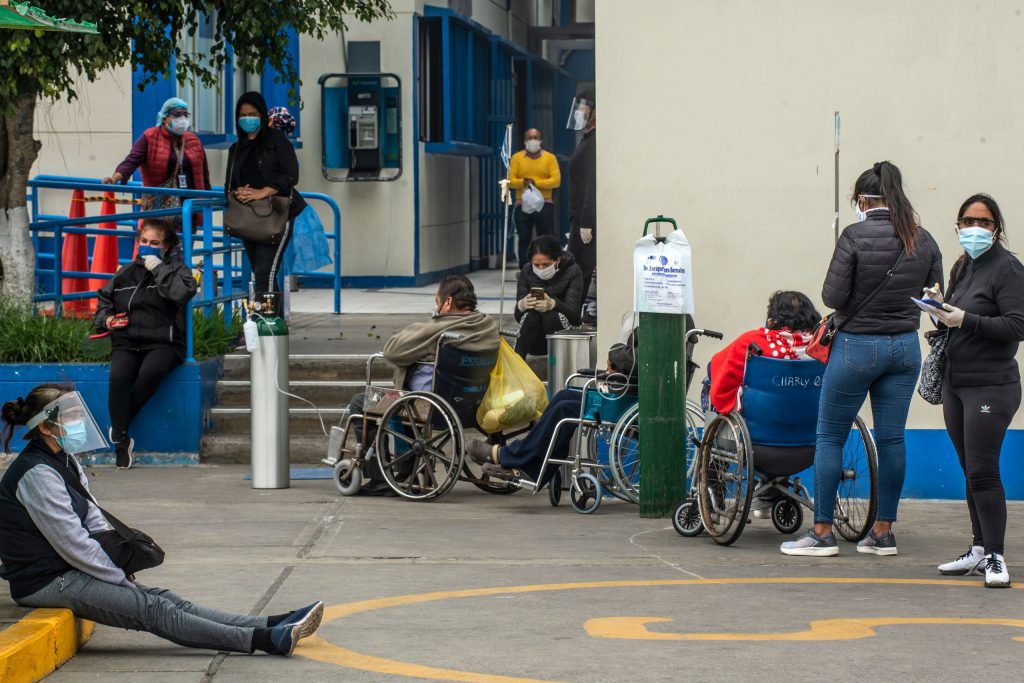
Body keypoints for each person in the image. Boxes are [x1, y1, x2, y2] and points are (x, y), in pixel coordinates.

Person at [0, 384, 323, 656]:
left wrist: (117, 564)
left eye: (78, 414)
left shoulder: (64, 460)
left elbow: (93, 518)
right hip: (46, 582)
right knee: (152, 609)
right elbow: (71, 541)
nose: (80, 421)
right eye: (71, 417)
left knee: (166, 598)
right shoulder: (36, 474)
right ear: (45, 427)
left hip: (70, 571)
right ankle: (266, 641)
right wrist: (117, 578)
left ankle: (267, 623)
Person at [781, 160, 943, 558]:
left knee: (830, 435)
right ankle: (882, 532)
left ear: (863, 200)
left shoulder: (854, 236)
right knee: (892, 439)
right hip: (905, 348)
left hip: (857, 347)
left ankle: (821, 533)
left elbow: (832, 299)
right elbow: (936, 298)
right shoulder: (924, 240)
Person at [929, 194, 1024, 587]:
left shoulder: (1008, 269)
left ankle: (997, 558)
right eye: (967, 220)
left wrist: (966, 319)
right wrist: (938, 307)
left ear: (996, 227)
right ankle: (979, 548)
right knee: (970, 471)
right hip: (957, 383)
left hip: (992, 384)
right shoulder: (964, 265)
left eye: (983, 222)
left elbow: (1017, 326)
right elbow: (956, 319)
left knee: (984, 472)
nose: (975, 228)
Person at [346, 276, 499, 494]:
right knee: (401, 401)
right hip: (469, 404)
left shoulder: (436, 330)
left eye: (437, 300)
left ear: (446, 302)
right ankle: (405, 468)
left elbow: (392, 351)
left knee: (360, 403)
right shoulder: (488, 326)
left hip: (426, 405)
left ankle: (380, 477)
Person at [94, 218, 197, 469]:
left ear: (165, 247)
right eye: (143, 241)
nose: (147, 246)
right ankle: (121, 441)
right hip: (127, 340)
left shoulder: (177, 270)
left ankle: (118, 427)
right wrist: (106, 320)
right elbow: (104, 300)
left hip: (163, 340)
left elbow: (181, 294)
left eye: (154, 243)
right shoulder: (125, 271)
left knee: (149, 374)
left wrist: (158, 269)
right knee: (118, 378)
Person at [466, 336, 636, 483]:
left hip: (626, 405)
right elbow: (623, 353)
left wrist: (617, 353)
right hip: (622, 398)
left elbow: (626, 356)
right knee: (563, 396)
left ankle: (507, 455)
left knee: (564, 409)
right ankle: (533, 469)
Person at [225, 91, 307, 315]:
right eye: (243, 115)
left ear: (262, 115)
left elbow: (291, 175)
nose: (247, 119)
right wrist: (240, 193)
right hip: (249, 218)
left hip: (277, 215)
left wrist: (263, 192)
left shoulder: (276, 140)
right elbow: (229, 185)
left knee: (264, 274)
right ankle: (274, 326)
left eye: (252, 114)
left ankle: (264, 325)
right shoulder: (236, 148)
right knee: (263, 274)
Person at [103, 97, 210, 223]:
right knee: (158, 241)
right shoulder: (150, 137)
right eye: (177, 115)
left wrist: (207, 201)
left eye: (185, 115)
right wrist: (115, 178)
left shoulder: (193, 141)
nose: (183, 119)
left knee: (184, 241)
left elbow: (204, 174)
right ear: (164, 119)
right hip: (160, 206)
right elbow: (132, 160)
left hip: (189, 208)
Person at [513, 235, 584, 359]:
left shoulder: (573, 271)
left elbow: (575, 315)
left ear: (557, 260)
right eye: (536, 265)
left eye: (546, 265)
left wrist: (553, 304)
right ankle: (516, 365)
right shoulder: (527, 271)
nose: (541, 269)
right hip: (535, 337)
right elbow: (519, 318)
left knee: (550, 315)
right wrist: (521, 305)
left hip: (564, 336)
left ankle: (559, 366)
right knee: (531, 315)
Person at [508, 128, 561, 266]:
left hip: (545, 204)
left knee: (545, 238)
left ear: (541, 140)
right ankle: (525, 269)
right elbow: (511, 181)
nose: (533, 140)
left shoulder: (550, 158)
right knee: (524, 239)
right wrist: (523, 182)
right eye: (529, 138)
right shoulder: (517, 158)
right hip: (522, 204)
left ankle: (546, 266)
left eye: (536, 137)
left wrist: (536, 182)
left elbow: (556, 180)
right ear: (525, 141)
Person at [566, 90, 597, 301]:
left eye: (583, 106)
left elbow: (592, 184)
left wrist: (586, 221)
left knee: (578, 271)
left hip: (586, 220)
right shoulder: (587, 138)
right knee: (576, 270)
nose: (579, 111)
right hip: (579, 217)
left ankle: (572, 316)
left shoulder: (595, 141)